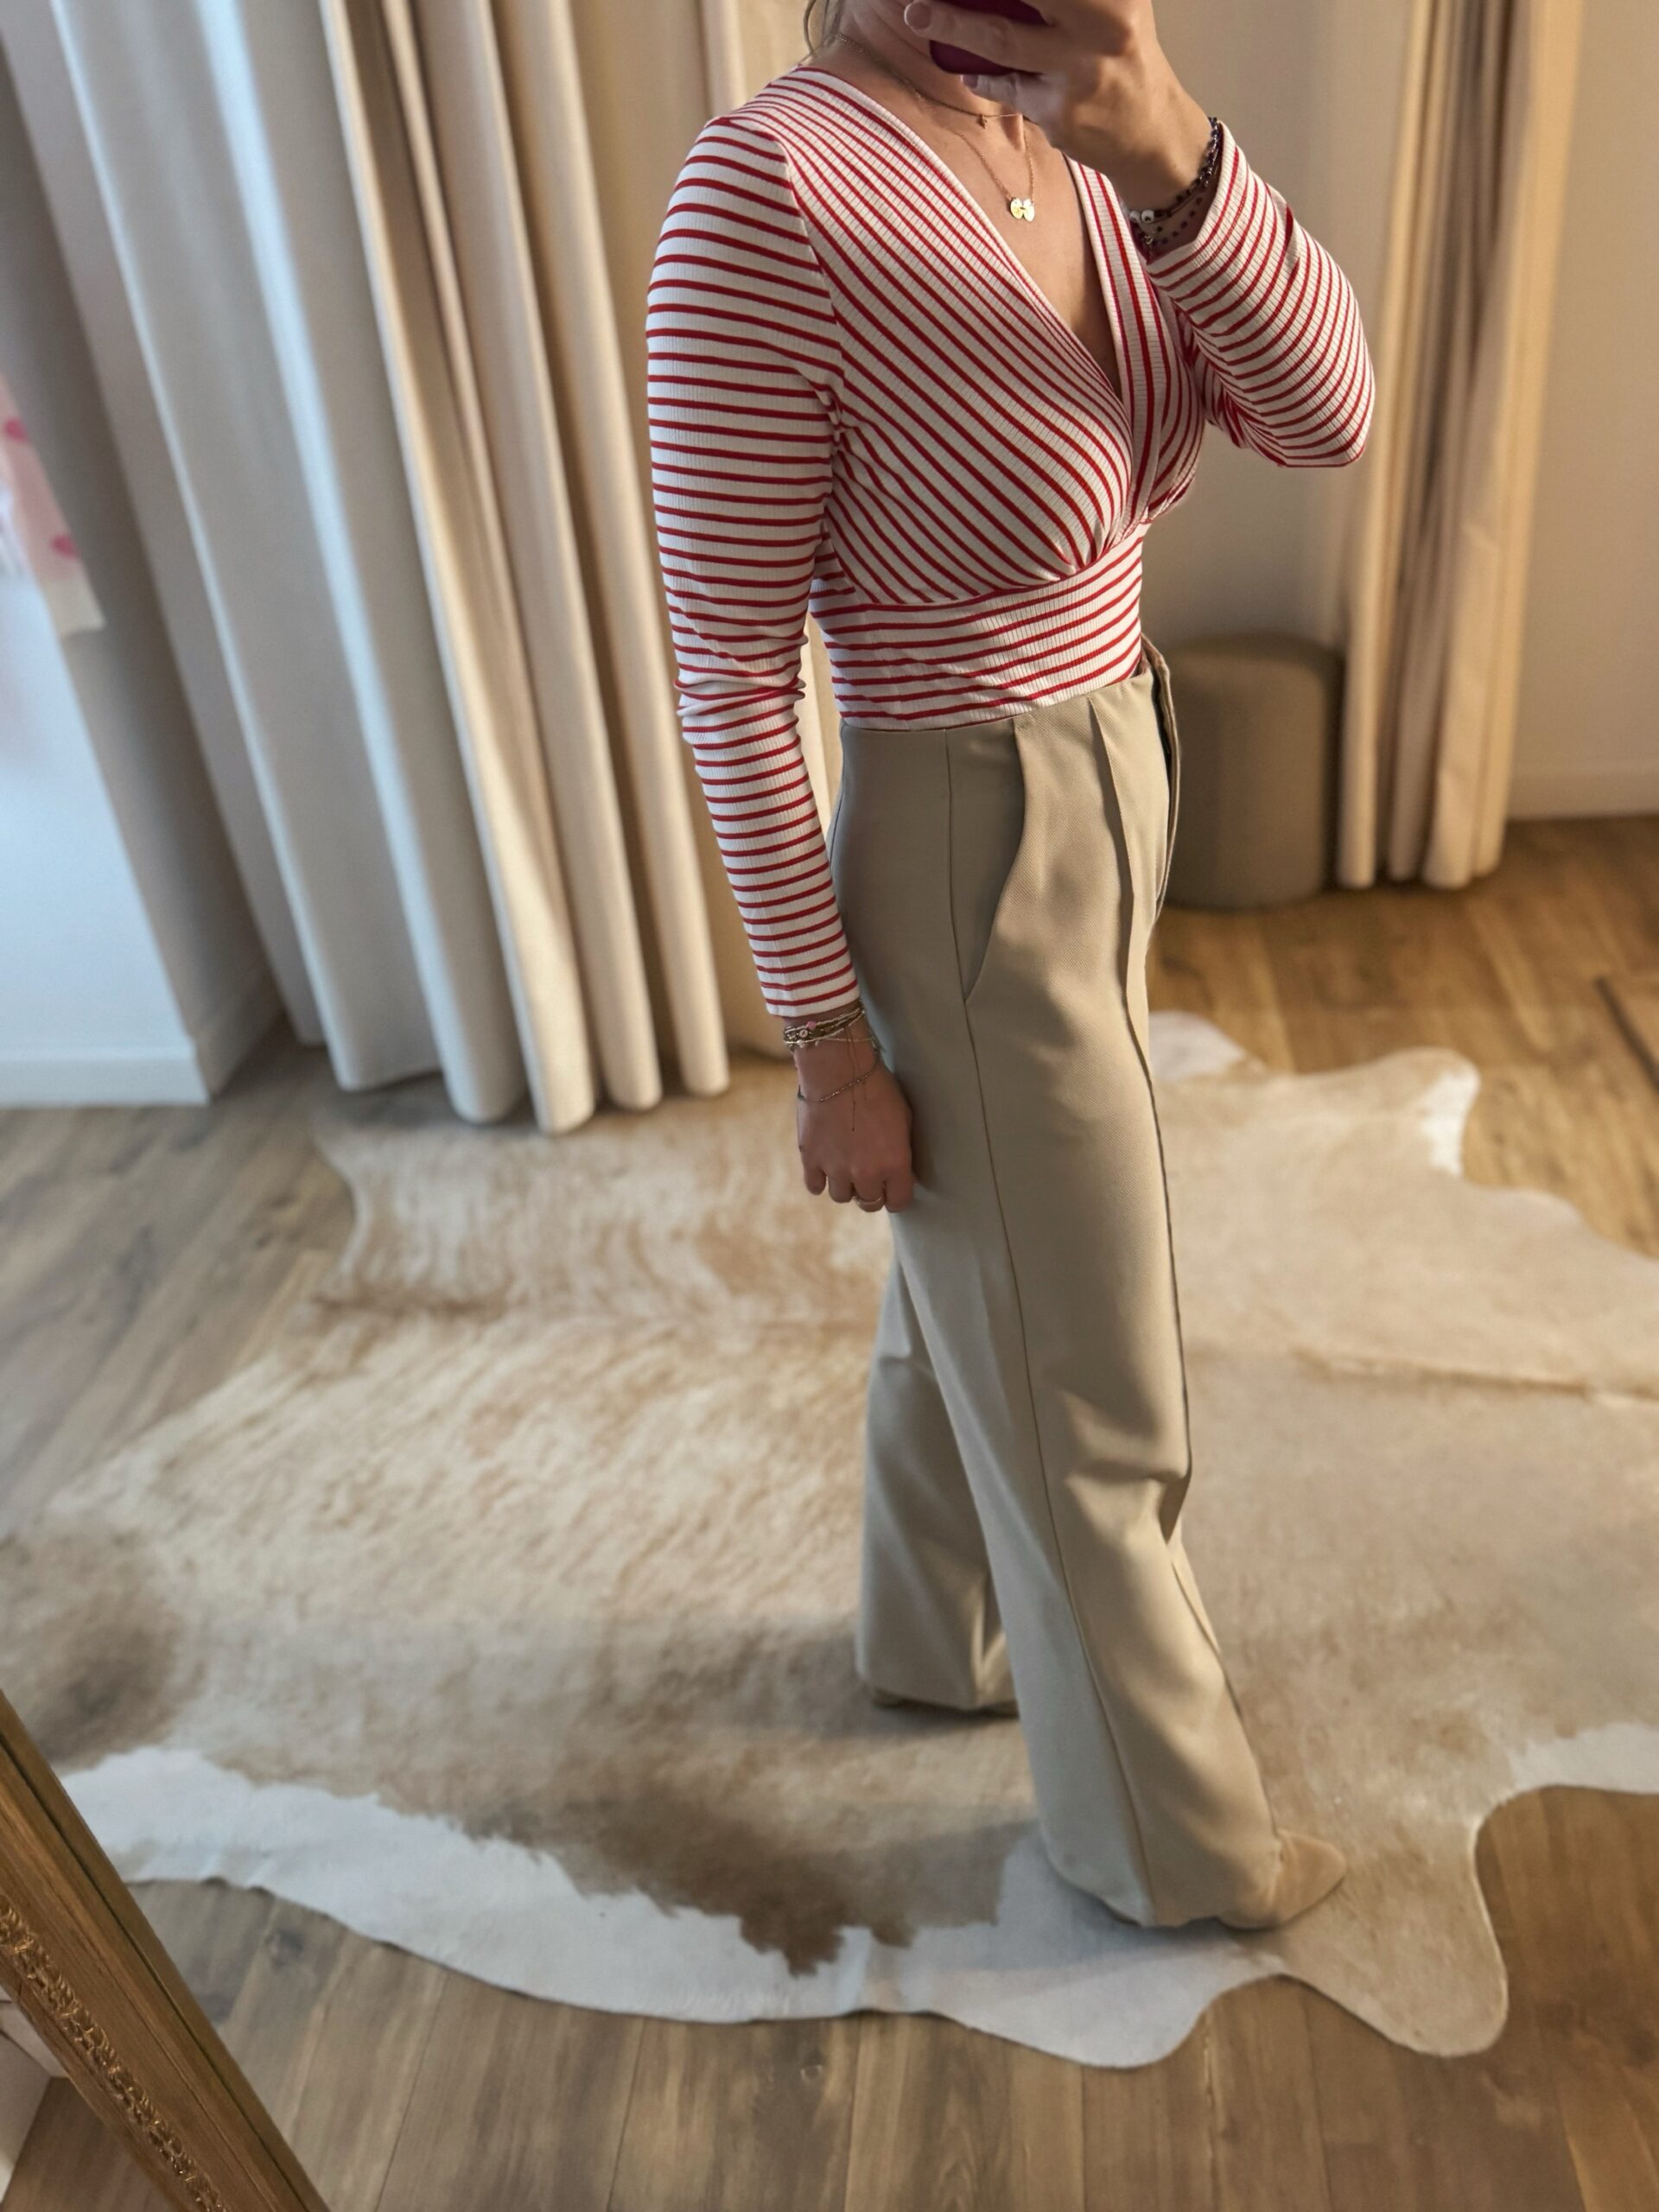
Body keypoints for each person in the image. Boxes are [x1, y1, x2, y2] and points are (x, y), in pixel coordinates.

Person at [645, 0, 1374, 1930]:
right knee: (1094, 1373)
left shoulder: (1078, 128)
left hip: (1118, 758)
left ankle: (937, 1632)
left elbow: (1326, 415)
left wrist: (1172, 147)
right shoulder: (767, 191)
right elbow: (730, 677)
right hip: (967, 831)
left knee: (992, 1262)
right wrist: (828, 1050)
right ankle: (1165, 1846)